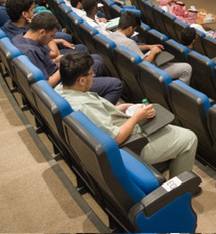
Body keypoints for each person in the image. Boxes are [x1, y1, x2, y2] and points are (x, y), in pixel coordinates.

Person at [55, 52, 198, 178]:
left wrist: (118, 109)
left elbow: (97, 116)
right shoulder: (84, 105)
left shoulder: (60, 90)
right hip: (130, 145)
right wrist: (136, 117)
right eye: (91, 73)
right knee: (188, 138)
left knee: (163, 123)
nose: (94, 76)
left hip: (117, 129)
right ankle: (181, 188)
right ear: (81, 80)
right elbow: (115, 138)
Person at [12, 12, 123, 104]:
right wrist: (63, 67)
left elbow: (42, 64)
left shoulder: (19, 38)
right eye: (51, 36)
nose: (51, 40)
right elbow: (47, 84)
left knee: (95, 59)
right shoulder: (31, 51)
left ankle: (88, 97)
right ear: (42, 32)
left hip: (56, 72)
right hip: (60, 86)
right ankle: (96, 111)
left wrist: (55, 61)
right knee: (115, 84)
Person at [109, 11, 192, 84]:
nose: (133, 32)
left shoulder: (109, 36)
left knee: (160, 56)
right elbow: (144, 64)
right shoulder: (129, 42)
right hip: (145, 73)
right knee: (186, 68)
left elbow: (130, 47)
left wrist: (149, 47)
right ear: (130, 28)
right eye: (134, 30)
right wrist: (153, 52)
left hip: (127, 69)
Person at [2, 0, 88, 56]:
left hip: (46, 48)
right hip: (49, 56)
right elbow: (55, 54)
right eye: (31, 10)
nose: (34, 11)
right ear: (24, 14)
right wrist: (37, 26)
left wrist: (59, 41)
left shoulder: (12, 24)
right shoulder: (20, 36)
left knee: (64, 37)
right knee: (81, 48)